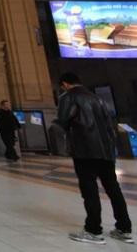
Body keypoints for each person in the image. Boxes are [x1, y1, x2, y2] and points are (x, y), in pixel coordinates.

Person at [55, 72, 132, 245]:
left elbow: (63, 120)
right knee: (113, 189)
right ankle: (124, 228)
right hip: (105, 151)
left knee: (89, 190)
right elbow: (109, 124)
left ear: (65, 84)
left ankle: (93, 230)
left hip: (85, 150)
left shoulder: (68, 97)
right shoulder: (97, 99)